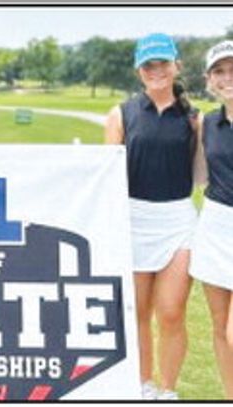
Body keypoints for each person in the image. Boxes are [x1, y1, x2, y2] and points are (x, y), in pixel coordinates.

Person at [104, 33, 199, 400]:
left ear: (177, 66)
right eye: (148, 65)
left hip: (178, 221)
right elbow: (106, 175)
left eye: (163, 63)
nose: (156, 71)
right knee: (138, 311)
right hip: (133, 219)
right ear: (139, 70)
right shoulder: (121, 114)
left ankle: (168, 390)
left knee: (172, 312)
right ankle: (143, 386)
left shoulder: (194, 119)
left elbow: (203, 170)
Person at [190, 40, 233, 400]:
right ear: (209, 79)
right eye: (220, 71)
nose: (227, 77)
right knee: (220, 329)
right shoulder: (209, 123)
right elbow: (201, 177)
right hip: (216, 227)